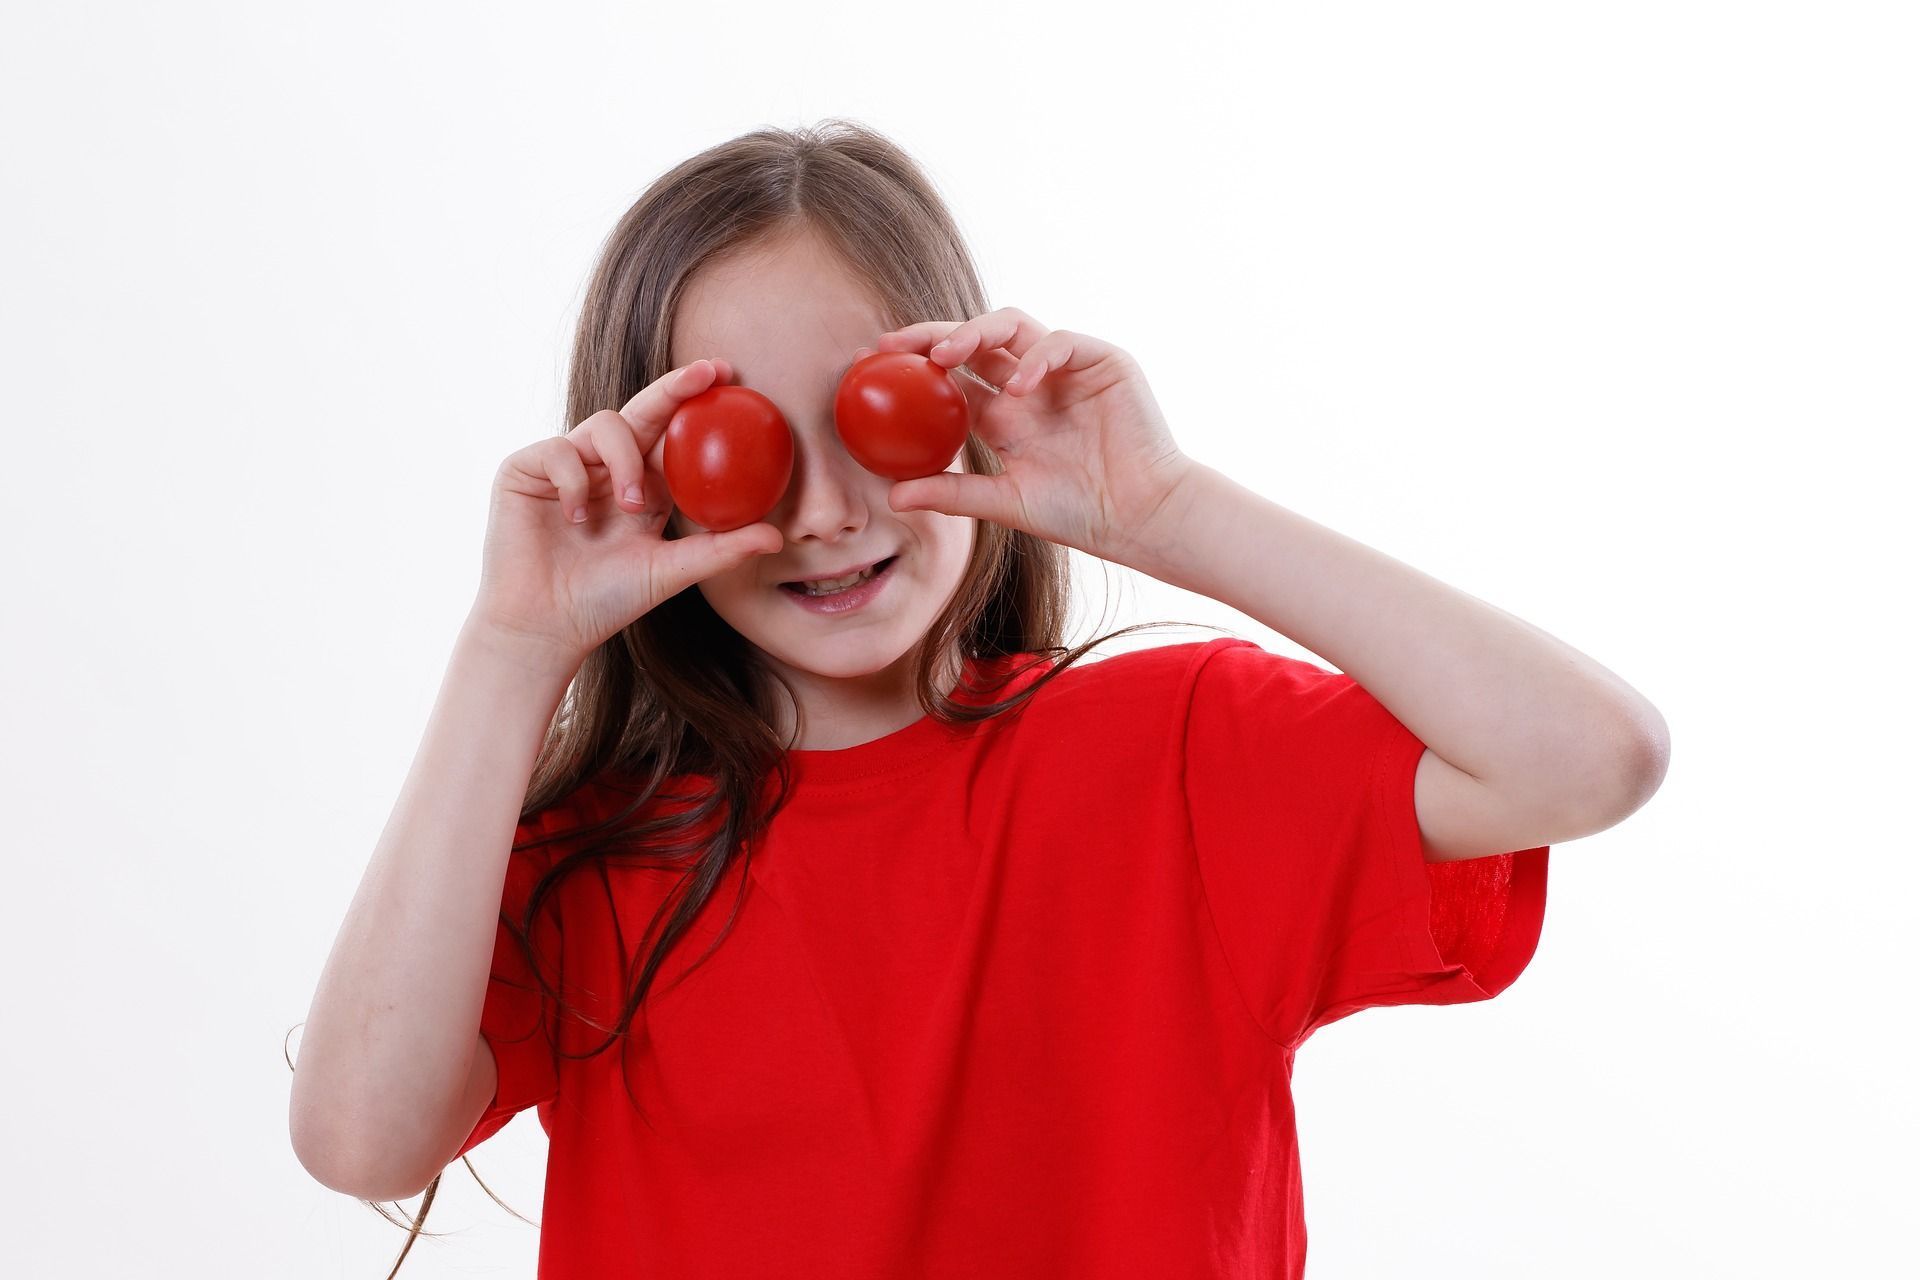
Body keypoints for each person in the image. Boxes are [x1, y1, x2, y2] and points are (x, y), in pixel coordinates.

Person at [289, 119, 1668, 1279]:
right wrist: (511, 646)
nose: (824, 512)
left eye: (876, 415)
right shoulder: (603, 852)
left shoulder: (1177, 757)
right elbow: (357, 1137)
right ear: (652, 476)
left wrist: (1167, 510)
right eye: (742, 449)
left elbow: (1592, 756)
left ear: (961, 401)